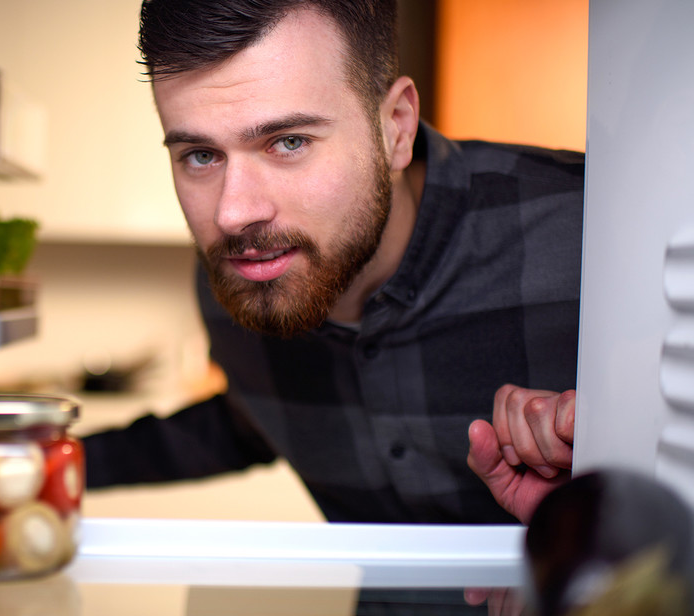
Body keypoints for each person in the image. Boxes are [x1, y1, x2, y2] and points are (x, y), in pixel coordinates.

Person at [83, 0, 582, 529]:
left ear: (396, 127)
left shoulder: (590, 229)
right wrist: (31, 460)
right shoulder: (239, 276)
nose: (233, 215)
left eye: (288, 142)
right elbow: (258, 416)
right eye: (200, 156)